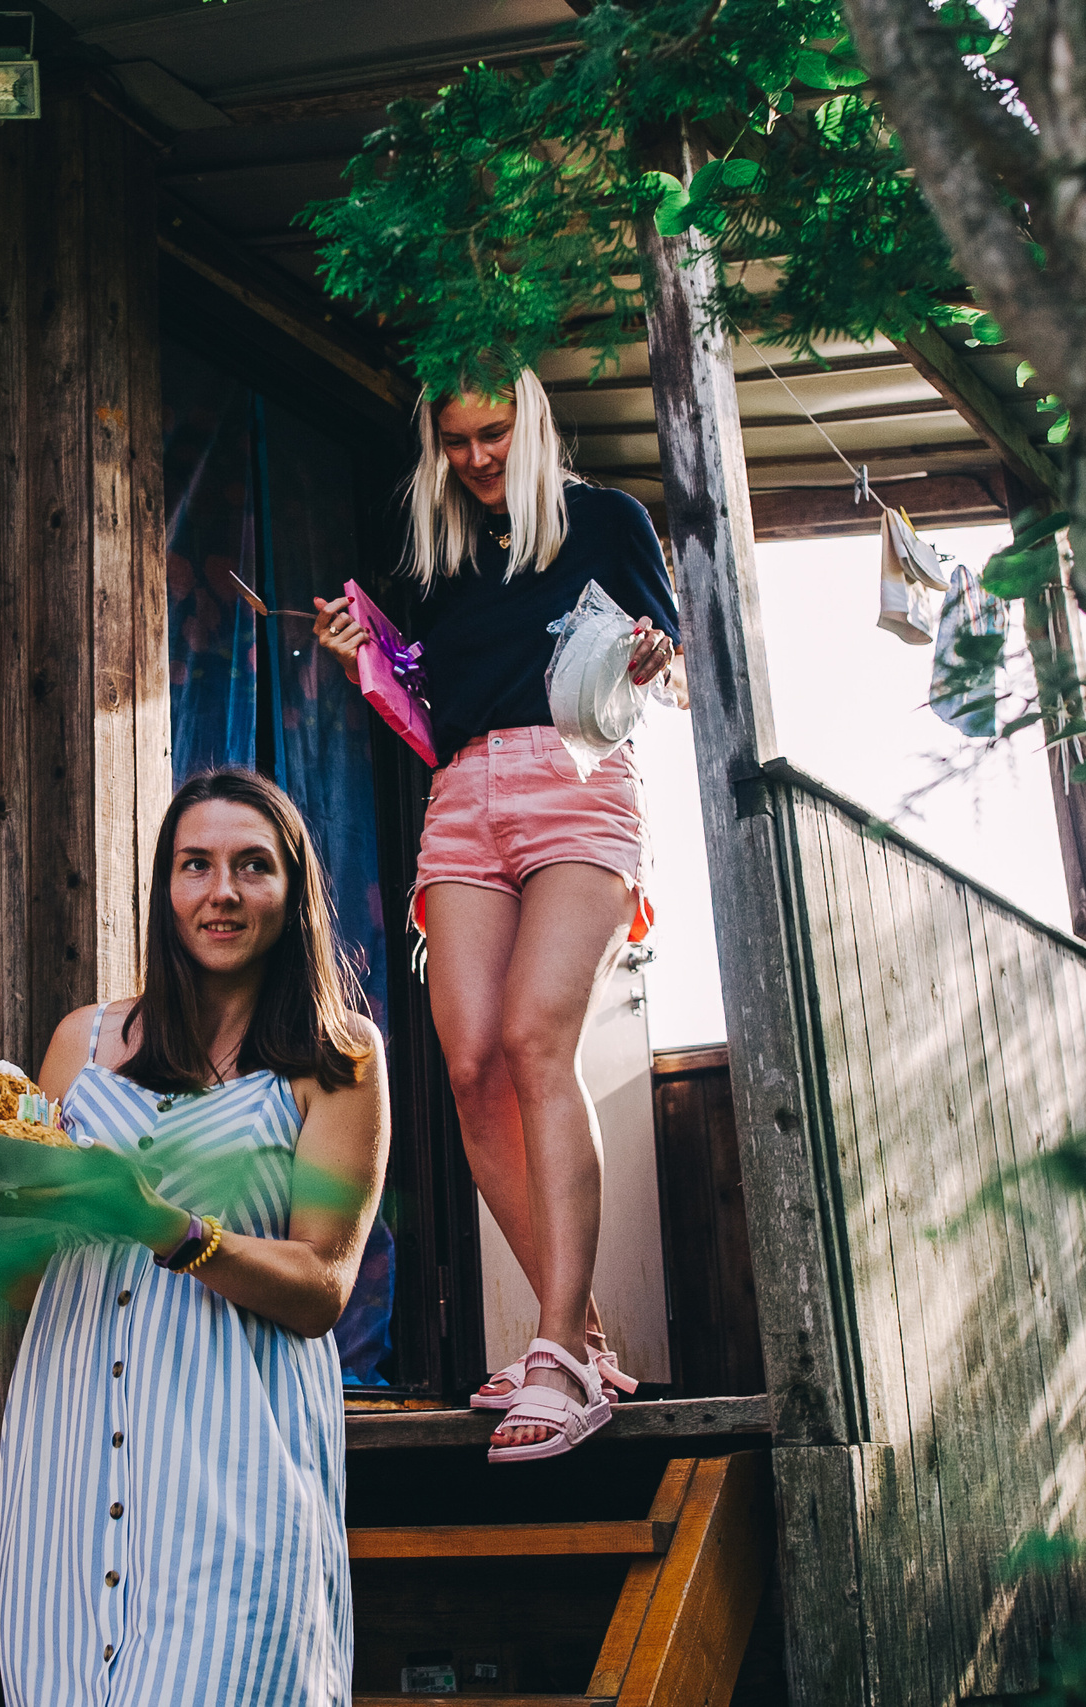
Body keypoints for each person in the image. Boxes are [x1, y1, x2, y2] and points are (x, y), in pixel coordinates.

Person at [312, 368, 679, 1464]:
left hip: (577, 783)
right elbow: (429, 713)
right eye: (457, 440)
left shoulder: (607, 520)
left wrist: (652, 652)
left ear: (533, 422)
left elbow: (661, 655)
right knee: (470, 1062)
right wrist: (368, 661)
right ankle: (584, 1340)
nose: (475, 457)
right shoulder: (440, 556)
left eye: (493, 433)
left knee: (533, 1039)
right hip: (462, 795)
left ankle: (555, 1349)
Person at [0, 767, 390, 1705]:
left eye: (253, 866)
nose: (222, 891)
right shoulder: (82, 1042)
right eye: (195, 864)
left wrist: (168, 1230)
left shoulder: (337, 1056)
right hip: (63, 1470)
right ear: (165, 888)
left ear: (292, 890)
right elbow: (22, 1282)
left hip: (231, 1474)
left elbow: (324, 1286)